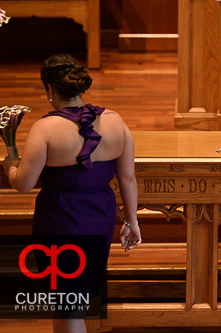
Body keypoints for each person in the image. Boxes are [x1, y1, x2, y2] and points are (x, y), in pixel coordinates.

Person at [2, 54, 140, 333]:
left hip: (60, 218)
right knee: (74, 297)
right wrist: (131, 221)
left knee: (65, 301)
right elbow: (127, 176)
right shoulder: (115, 121)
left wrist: (10, 158)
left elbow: (23, 184)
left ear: (50, 89)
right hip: (100, 213)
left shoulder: (45, 129)